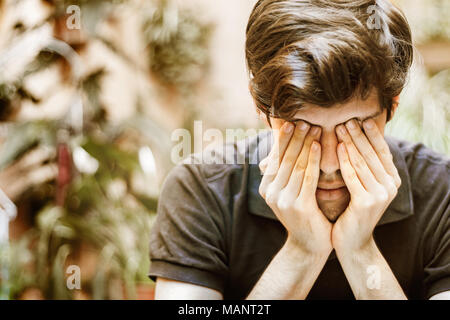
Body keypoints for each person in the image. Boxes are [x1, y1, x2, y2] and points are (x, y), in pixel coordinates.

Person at [148, 0, 450, 299]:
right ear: (260, 107)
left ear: (392, 105)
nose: (329, 164)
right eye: (303, 128)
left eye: (354, 127)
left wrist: (360, 251)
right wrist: (302, 252)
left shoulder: (442, 192)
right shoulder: (201, 189)